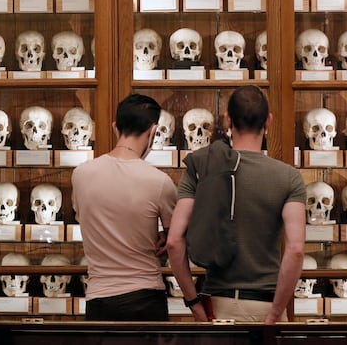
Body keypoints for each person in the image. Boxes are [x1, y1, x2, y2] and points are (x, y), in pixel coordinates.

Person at [166, 85, 306, 324]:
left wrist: (194, 304)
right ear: (269, 121)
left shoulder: (202, 169)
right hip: (265, 303)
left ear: (227, 119)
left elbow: (173, 243)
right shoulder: (289, 177)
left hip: (217, 305)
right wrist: (275, 313)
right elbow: (295, 250)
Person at [72, 93, 177, 321]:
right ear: (154, 131)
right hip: (145, 296)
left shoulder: (80, 175)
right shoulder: (159, 182)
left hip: (98, 299)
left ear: (114, 127)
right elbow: (174, 240)